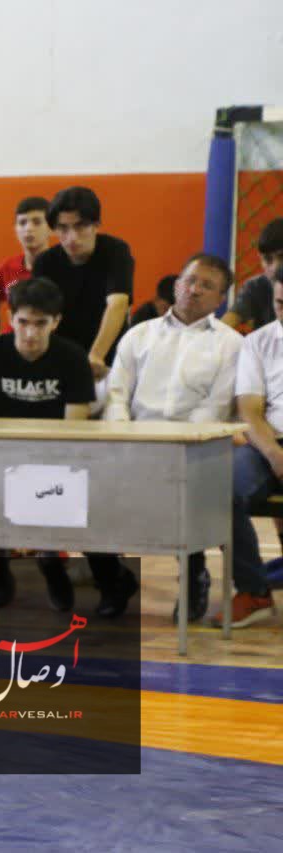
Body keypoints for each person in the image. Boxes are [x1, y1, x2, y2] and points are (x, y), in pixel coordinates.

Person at [0, 277, 133, 615]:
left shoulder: (72, 357)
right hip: (5, 457)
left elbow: (72, 430)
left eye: (41, 323)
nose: (30, 332)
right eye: (23, 321)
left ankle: (105, 579)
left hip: (59, 457)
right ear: (10, 319)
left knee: (83, 507)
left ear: (56, 322)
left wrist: (41, 472)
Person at [106, 253, 243, 622]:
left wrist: (176, 445)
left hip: (192, 448)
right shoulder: (139, 335)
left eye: (207, 286)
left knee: (191, 486)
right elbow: (117, 394)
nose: (194, 290)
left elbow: (215, 406)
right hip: (132, 442)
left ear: (221, 300)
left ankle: (194, 571)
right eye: (189, 280)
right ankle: (111, 579)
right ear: (177, 284)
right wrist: (124, 436)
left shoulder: (231, 345)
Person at [221, 266, 283, 629]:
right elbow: (249, 410)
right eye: (280, 303)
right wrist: (275, 455)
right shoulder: (258, 341)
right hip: (267, 442)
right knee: (219, 491)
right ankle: (254, 591)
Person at [33, 186, 133, 390]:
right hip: (62, 357)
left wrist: (96, 355)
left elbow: (118, 304)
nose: (72, 237)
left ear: (96, 225)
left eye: (80, 226)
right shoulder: (45, 262)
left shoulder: (115, 251)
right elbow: (40, 313)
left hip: (108, 358)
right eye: (63, 228)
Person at [0, 196, 51, 335]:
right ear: (15, 230)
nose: (28, 229)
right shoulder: (7, 267)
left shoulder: (64, 266)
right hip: (14, 342)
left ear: (51, 228)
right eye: (22, 223)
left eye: (37, 222)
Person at [221, 217, 283, 332]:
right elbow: (226, 323)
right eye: (268, 260)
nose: (275, 267)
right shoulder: (256, 286)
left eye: (282, 257)